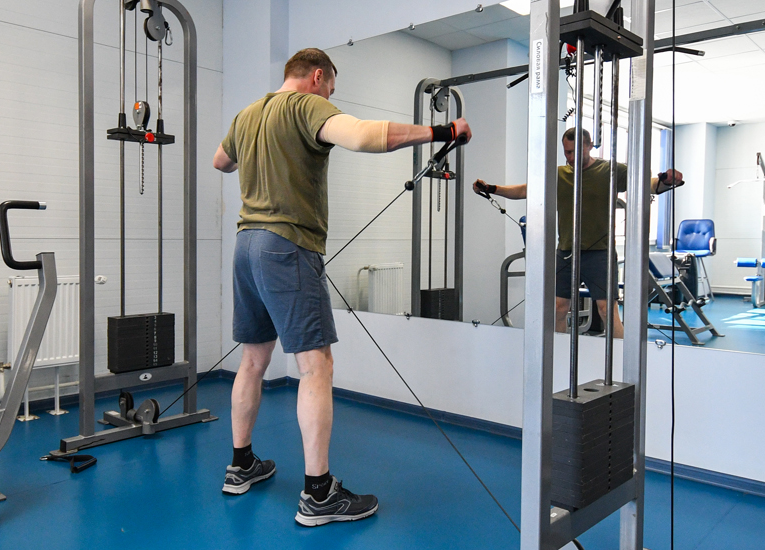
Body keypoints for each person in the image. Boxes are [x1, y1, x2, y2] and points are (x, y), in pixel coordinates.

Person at [212, 47, 472, 527]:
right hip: (286, 246)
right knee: (316, 367)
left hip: (246, 245)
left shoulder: (248, 114)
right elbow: (364, 136)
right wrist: (442, 131)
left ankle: (240, 465)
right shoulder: (306, 105)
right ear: (317, 77)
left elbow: (220, 161)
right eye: (331, 89)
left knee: (252, 361)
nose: (331, 98)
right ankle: (318, 494)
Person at [473, 127, 682, 335]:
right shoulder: (558, 174)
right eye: (566, 152)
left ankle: (620, 354)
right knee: (558, 308)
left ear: (589, 146)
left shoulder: (610, 170)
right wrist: (492, 189)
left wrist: (666, 181)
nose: (570, 157)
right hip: (566, 252)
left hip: (600, 254)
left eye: (574, 151)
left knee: (607, 311)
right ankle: (559, 352)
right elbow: (525, 190)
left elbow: (647, 184)